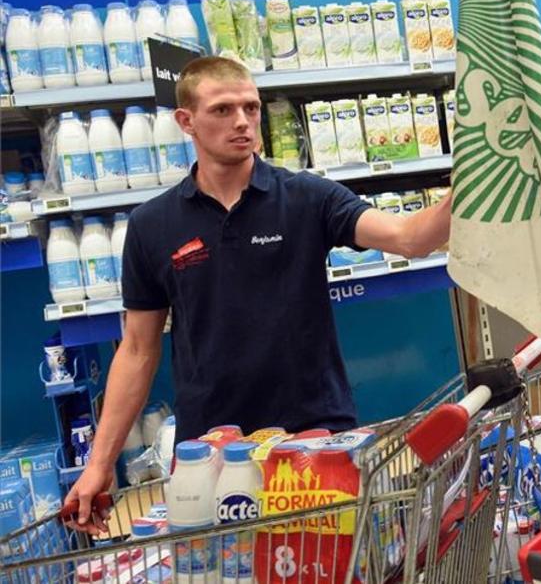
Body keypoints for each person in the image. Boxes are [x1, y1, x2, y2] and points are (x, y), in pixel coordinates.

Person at [66, 57, 452, 532]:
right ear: (186, 121)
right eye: (223, 110)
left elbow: (411, 238)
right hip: (211, 451)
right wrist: (99, 464)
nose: (243, 121)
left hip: (315, 437)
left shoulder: (309, 198)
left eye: (251, 107)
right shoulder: (152, 225)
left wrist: (472, 179)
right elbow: (138, 350)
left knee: (324, 569)